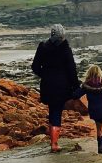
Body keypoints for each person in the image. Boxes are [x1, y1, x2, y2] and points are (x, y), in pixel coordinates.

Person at [31, 24, 80, 152]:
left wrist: (45, 75)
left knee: (52, 110)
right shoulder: (65, 49)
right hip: (62, 86)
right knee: (57, 112)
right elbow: (72, 70)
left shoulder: (43, 47)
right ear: (62, 35)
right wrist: (76, 86)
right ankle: (54, 144)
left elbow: (35, 67)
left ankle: (53, 142)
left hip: (47, 85)